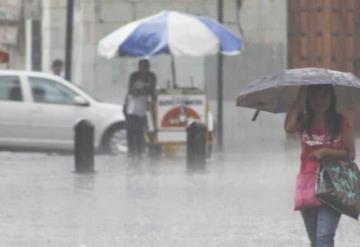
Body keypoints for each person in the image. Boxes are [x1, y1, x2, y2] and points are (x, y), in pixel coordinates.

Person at [284, 84, 355, 247]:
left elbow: (350, 154)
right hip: (307, 186)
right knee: (315, 240)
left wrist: (326, 152)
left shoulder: (341, 122)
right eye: (315, 96)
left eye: (324, 96)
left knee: (324, 237)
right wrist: (299, 97)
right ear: (309, 99)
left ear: (332, 98)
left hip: (334, 185)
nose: (320, 100)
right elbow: (288, 127)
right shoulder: (303, 121)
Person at [124, 59, 157, 158]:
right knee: (130, 129)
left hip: (144, 106)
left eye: (145, 67)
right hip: (131, 105)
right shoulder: (134, 76)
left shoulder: (151, 76)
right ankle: (131, 150)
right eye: (141, 66)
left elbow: (151, 89)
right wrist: (141, 90)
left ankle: (140, 150)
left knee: (141, 129)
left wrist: (140, 90)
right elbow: (131, 90)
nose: (143, 69)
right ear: (139, 67)